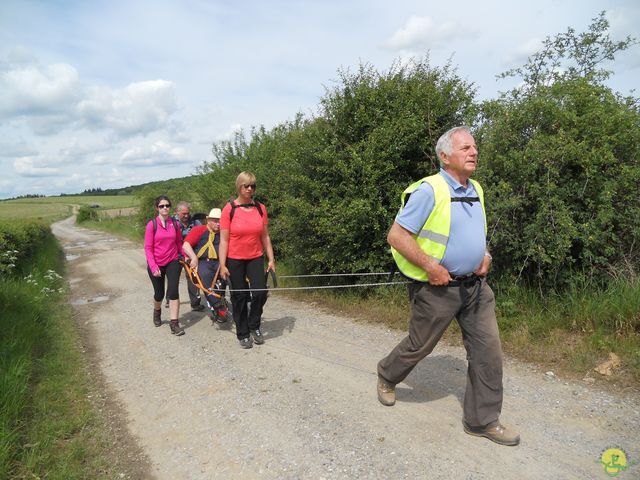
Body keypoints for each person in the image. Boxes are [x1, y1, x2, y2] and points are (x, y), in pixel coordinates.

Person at [377, 126, 520, 446]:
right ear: (445, 156)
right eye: (466, 148)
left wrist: (485, 255)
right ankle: (387, 374)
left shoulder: (476, 189)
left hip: (476, 288)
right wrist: (431, 267)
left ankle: (482, 421)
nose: (474, 152)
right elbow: (396, 236)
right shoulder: (429, 190)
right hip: (437, 288)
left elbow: (475, 233)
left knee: (488, 352)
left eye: (475, 147)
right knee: (420, 345)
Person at [219, 171, 275, 349]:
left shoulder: (260, 208)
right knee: (239, 296)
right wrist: (222, 264)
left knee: (260, 293)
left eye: (253, 186)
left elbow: (265, 236)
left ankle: (254, 325)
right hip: (235, 259)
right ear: (239, 186)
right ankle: (243, 333)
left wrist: (271, 259)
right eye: (246, 185)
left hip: (255, 257)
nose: (250, 189)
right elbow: (224, 240)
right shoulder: (229, 209)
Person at [144, 195, 185, 336]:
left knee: (173, 291)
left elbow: (179, 242)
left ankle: (174, 323)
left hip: (173, 261)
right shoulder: (152, 225)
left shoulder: (175, 223)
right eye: (161, 206)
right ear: (157, 208)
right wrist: (154, 266)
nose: (165, 208)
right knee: (159, 294)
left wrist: (184, 256)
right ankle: (157, 311)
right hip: (156, 263)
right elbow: (148, 248)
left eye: (167, 205)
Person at [183, 208, 229, 323]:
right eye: (215, 220)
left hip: (221, 261)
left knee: (232, 276)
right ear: (208, 220)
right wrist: (193, 257)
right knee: (205, 276)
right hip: (204, 261)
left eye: (220, 221)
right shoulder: (199, 230)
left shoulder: (225, 232)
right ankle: (217, 306)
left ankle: (239, 300)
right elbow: (186, 245)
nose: (218, 223)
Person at [169, 201, 205, 311]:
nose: (186, 216)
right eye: (183, 213)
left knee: (193, 276)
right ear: (177, 212)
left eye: (187, 213)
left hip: (191, 252)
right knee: (173, 277)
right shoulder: (171, 223)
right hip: (175, 253)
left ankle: (195, 303)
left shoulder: (195, 221)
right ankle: (170, 298)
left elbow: (203, 232)